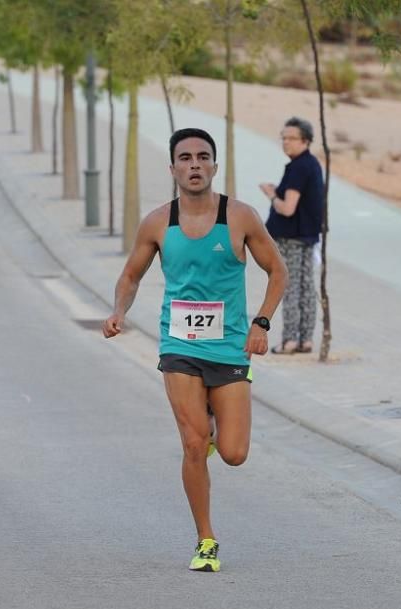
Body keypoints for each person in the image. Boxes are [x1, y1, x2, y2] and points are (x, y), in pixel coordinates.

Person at [103, 128, 287, 572]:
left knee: (234, 453)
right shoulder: (157, 223)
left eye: (203, 157)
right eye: (185, 158)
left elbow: (277, 270)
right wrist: (118, 311)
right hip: (179, 345)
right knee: (190, 444)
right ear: (172, 169)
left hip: (228, 348)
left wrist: (261, 322)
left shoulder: (239, 217)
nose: (194, 164)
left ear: (214, 166)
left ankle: (210, 427)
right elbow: (131, 276)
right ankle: (206, 539)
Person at [259, 116, 325, 354]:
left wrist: (271, 194)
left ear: (305, 141)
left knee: (289, 286)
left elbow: (287, 208)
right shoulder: (312, 165)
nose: (285, 143)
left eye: (291, 138)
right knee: (306, 287)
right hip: (308, 236)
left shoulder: (298, 168)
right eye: (283, 138)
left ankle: (289, 341)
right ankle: (305, 339)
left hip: (291, 238)